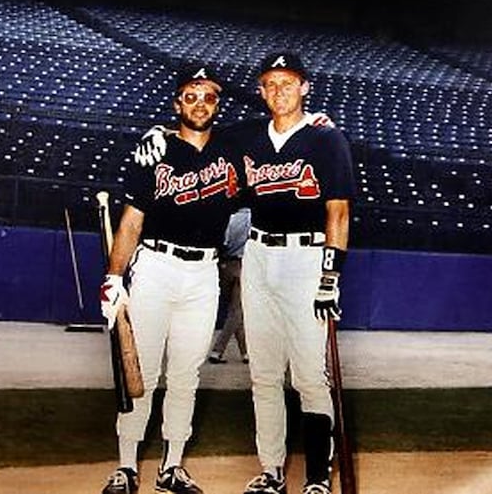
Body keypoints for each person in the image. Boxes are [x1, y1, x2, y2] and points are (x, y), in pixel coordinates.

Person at [99, 62, 241, 494]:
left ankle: (172, 466)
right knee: (139, 370)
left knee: (186, 374)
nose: (200, 104)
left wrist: (315, 121)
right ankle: (126, 467)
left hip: (203, 273)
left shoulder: (233, 149)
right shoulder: (154, 150)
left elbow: (279, 132)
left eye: (209, 97)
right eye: (191, 96)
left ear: (219, 104)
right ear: (177, 101)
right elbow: (131, 221)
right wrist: (114, 278)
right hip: (156, 267)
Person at [240, 52, 356, 494]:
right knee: (264, 374)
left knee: (309, 375)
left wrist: (330, 276)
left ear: (305, 87)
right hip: (257, 256)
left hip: (307, 259)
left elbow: (339, 212)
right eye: (270, 83)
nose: (279, 91)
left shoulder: (328, 140)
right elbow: (201, 139)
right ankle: (271, 472)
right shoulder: (250, 137)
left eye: (288, 82)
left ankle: (316, 478)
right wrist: (163, 132)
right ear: (260, 91)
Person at [208, 205, 251, 365]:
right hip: (244, 264)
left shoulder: (229, 218)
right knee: (237, 311)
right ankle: (217, 351)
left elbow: (222, 243)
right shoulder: (253, 218)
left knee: (234, 310)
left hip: (224, 265)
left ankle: (246, 352)